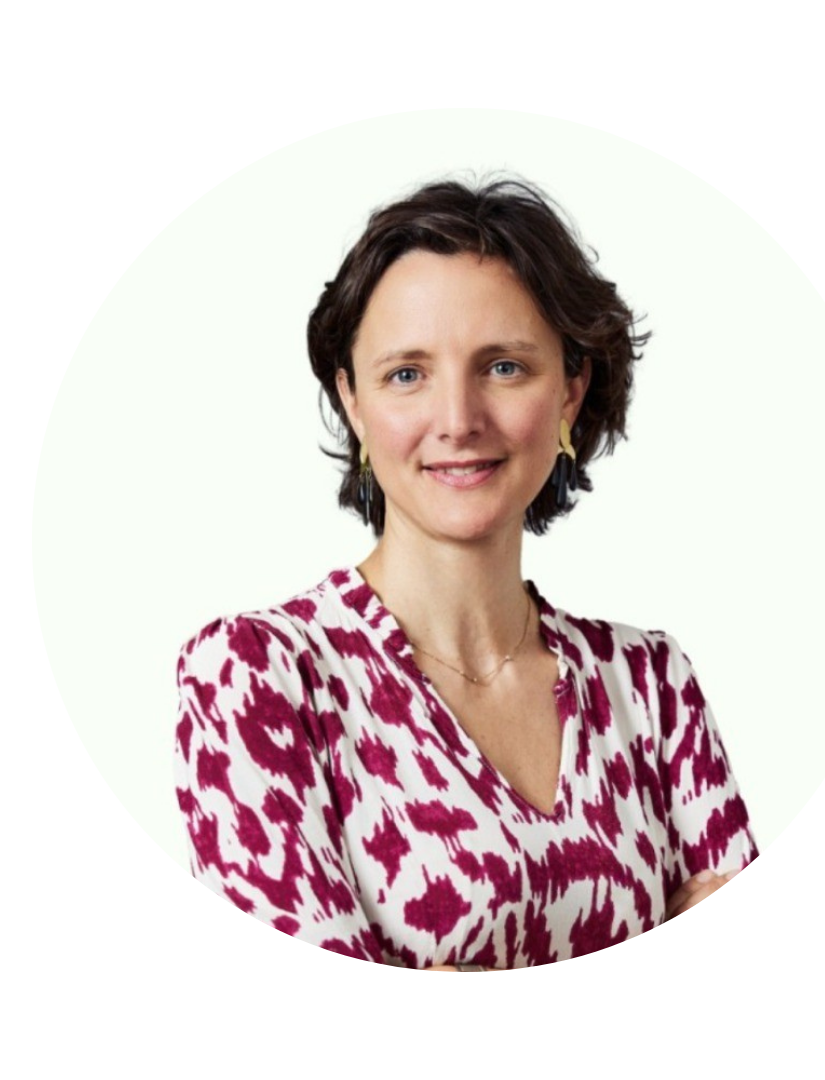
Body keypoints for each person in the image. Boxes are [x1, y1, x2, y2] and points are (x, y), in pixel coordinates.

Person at [173, 176, 758, 971]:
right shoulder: (256, 679)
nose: (457, 420)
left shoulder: (651, 684)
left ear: (571, 390)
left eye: (505, 367)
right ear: (352, 400)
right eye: (406, 374)